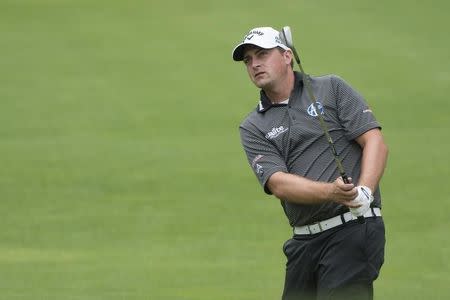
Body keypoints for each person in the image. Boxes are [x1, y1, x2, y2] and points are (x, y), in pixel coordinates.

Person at [232, 27, 389, 300]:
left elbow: (374, 141)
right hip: (304, 242)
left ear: (287, 56)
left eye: (262, 54)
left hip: (352, 229)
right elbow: (278, 183)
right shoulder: (253, 126)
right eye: (248, 60)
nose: (254, 64)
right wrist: (332, 192)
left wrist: (364, 190)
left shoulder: (331, 88)